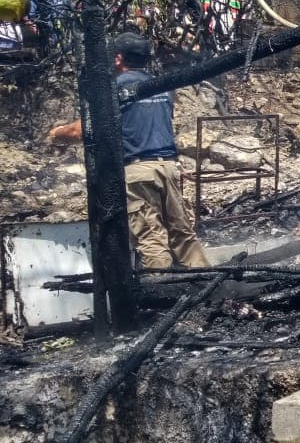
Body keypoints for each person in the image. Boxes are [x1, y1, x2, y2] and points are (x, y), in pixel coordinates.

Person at [48, 32, 210, 269]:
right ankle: (207, 280)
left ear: (117, 59)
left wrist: (56, 134)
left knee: (150, 237)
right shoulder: (160, 87)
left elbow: (81, 131)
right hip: (168, 167)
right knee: (181, 232)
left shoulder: (117, 89)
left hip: (138, 172)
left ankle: (164, 294)